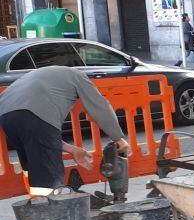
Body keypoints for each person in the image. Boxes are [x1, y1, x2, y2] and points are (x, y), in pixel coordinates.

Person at [0, 66, 130, 192]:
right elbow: (99, 106)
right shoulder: (78, 76)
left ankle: (37, 205)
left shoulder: (40, 77)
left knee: (33, 167)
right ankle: (51, 209)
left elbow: (40, 133)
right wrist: (118, 139)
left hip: (6, 117)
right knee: (48, 176)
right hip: (34, 117)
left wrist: (72, 149)